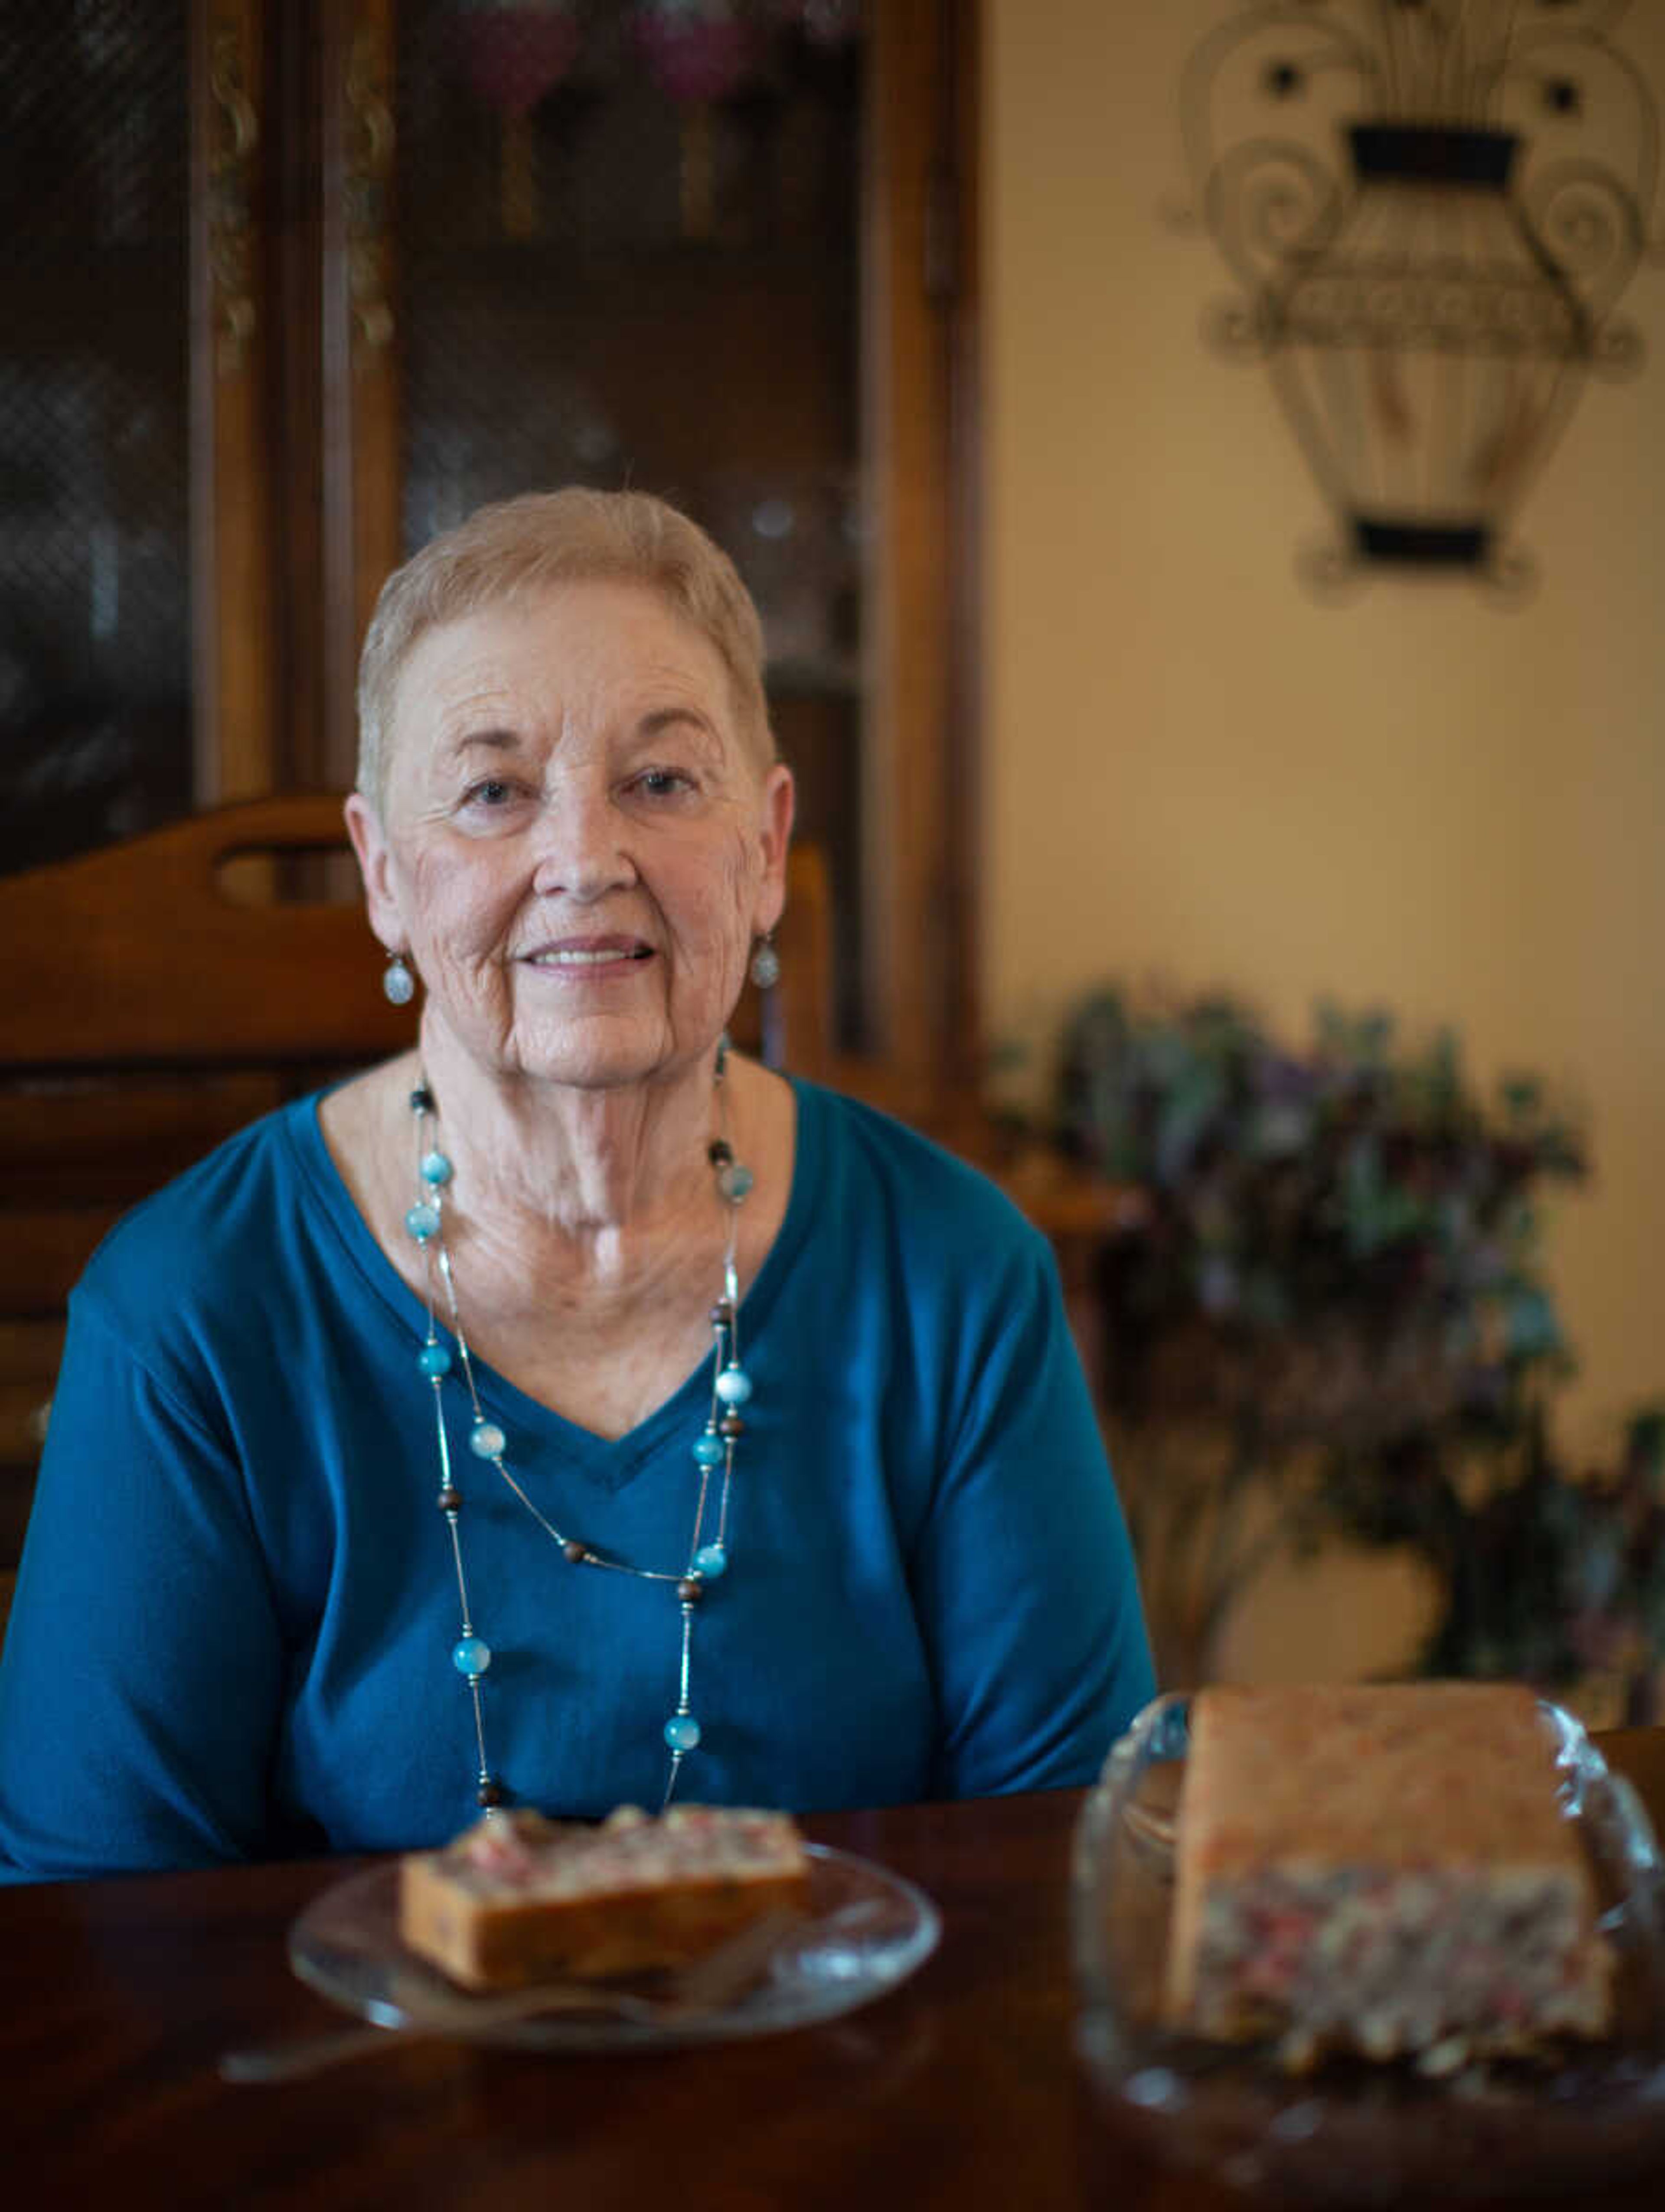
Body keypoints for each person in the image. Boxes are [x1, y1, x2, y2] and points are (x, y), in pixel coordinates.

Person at [0, 489, 1152, 1882]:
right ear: (383, 874)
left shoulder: (959, 1277)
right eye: (492, 792)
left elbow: (1062, 1878)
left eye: (661, 781)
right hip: (343, 2101)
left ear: (769, 845)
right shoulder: (187, 1314)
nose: (584, 861)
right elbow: (99, 1939)